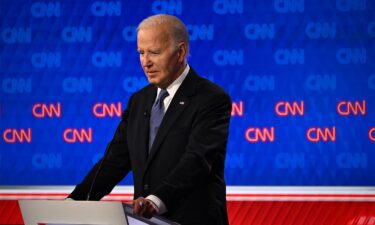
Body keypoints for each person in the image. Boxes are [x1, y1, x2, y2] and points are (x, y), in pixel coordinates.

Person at [68, 14, 231, 225]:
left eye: (154, 52)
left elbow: (197, 160)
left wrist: (156, 200)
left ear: (180, 52)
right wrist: (75, 202)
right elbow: (113, 162)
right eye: (141, 53)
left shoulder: (211, 99)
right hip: (146, 222)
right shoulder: (139, 101)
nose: (146, 62)